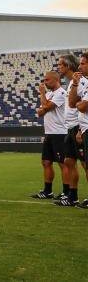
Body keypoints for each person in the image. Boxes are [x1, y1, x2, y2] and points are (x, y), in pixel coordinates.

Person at [30, 71, 68, 199]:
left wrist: (42, 95)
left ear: (55, 80)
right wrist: (44, 105)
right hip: (49, 133)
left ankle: (66, 192)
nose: (44, 83)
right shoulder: (49, 94)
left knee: (63, 163)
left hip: (59, 133)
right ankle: (48, 191)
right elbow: (40, 112)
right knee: (46, 162)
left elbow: (45, 107)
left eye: (47, 80)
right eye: (44, 80)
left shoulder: (61, 93)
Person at [56, 54, 87, 206]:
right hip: (70, 127)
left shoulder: (81, 81)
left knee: (85, 164)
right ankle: (72, 197)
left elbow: (79, 105)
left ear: (67, 66)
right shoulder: (72, 82)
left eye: (60, 65)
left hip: (78, 126)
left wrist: (81, 129)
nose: (58, 68)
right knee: (69, 161)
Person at [68, 51, 88, 208]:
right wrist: (75, 84)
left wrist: (80, 103)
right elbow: (73, 103)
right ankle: (72, 196)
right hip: (83, 127)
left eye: (83, 63)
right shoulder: (82, 82)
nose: (80, 66)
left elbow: (82, 106)